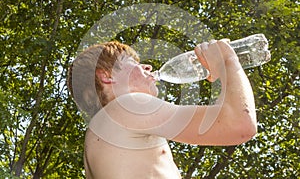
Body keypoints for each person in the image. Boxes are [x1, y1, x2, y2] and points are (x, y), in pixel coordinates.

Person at [67, 40, 257, 179]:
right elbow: (239, 124)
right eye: (131, 62)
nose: (147, 66)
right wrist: (228, 61)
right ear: (107, 76)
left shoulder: (100, 133)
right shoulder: (127, 106)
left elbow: (223, 118)